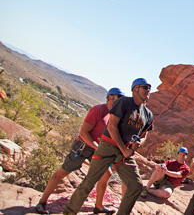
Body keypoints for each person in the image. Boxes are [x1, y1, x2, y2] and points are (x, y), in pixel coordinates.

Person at [63, 78, 154, 215]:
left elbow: (145, 134)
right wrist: (123, 149)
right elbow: (112, 126)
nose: (148, 90)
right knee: (89, 182)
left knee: (135, 186)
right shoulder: (123, 102)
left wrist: (139, 142)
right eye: (145, 87)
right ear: (135, 89)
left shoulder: (148, 114)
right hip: (109, 147)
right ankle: (69, 213)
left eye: (149, 87)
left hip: (126, 152)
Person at [35, 88, 125, 215]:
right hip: (83, 145)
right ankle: (42, 202)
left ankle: (98, 207)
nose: (121, 101)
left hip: (97, 148)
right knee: (63, 172)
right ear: (111, 97)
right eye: (119, 98)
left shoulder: (113, 115)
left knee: (106, 174)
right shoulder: (98, 110)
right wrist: (96, 147)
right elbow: (83, 132)